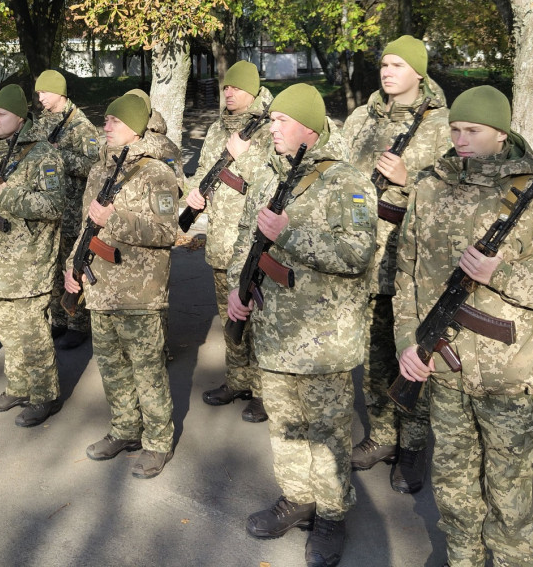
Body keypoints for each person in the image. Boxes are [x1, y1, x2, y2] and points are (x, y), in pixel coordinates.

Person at [393, 86, 533, 567]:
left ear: (501, 134)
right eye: (455, 129)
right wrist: (407, 342)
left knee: (507, 496)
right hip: (443, 366)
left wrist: (499, 274)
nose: (461, 139)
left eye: (473, 130)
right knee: (454, 487)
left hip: (510, 374)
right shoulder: (428, 185)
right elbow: (405, 272)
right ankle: (462, 559)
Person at [227, 84, 377, 567]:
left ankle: (332, 514)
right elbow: (246, 241)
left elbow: (357, 255)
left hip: (322, 338)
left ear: (309, 129)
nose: (270, 127)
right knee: (286, 427)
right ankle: (297, 496)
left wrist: (289, 232)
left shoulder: (348, 182)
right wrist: (237, 287)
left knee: (328, 434)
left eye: (280, 121)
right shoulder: (272, 175)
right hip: (274, 331)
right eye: (270, 120)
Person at [338, 36, 450, 493]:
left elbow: (457, 194)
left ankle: (414, 445)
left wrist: (411, 180)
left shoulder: (442, 126)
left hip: (411, 259)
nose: (387, 72)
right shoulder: (361, 119)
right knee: (374, 353)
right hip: (364, 254)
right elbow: (342, 174)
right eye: (384, 64)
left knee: (412, 353)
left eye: (398, 65)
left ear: (418, 73)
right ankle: (383, 435)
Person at [66, 94, 179, 479]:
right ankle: (125, 429)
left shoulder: (157, 173)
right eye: (106, 119)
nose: (106, 126)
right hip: (101, 289)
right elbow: (86, 225)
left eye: (114, 120)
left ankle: (157, 442)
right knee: (112, 368)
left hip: (140, 292)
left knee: (148, 372)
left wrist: (116, 218)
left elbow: (167, 232)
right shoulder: (101, 169)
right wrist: (72, 266)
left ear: (134, 127)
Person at [0, 85, 66, 427]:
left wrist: (7, 194)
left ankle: (44, 395)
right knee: (7, 330)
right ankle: (18, 387)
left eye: (1, 114)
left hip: (30, 262)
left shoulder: (43, 156)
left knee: (33, 334)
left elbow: (54, 207)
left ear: (20, 118)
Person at [183, 61, 273, 423]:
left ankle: (266, 391)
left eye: (236, 88)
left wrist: (242, 156)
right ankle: (238, 380)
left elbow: (272, 182)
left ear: (252, 91)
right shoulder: (219, 127)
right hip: (220, 240)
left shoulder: (268, 130)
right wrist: (195, 195)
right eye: (225, 87)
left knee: (258, 319)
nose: (228, 92)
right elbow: (207, 169)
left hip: (252, 241)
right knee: (229, 317)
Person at [32, 69, 100, 350]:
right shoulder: (43, 122)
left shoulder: (81, 126)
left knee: (73, 265)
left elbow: (93, 166)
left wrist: (58, 155)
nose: (40, 97)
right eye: (38, 93)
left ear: (59, 92)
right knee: (53, 265)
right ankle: (58, 318)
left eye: (44, 92)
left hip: (72, 207)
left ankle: (78, 322)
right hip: (50, 206)